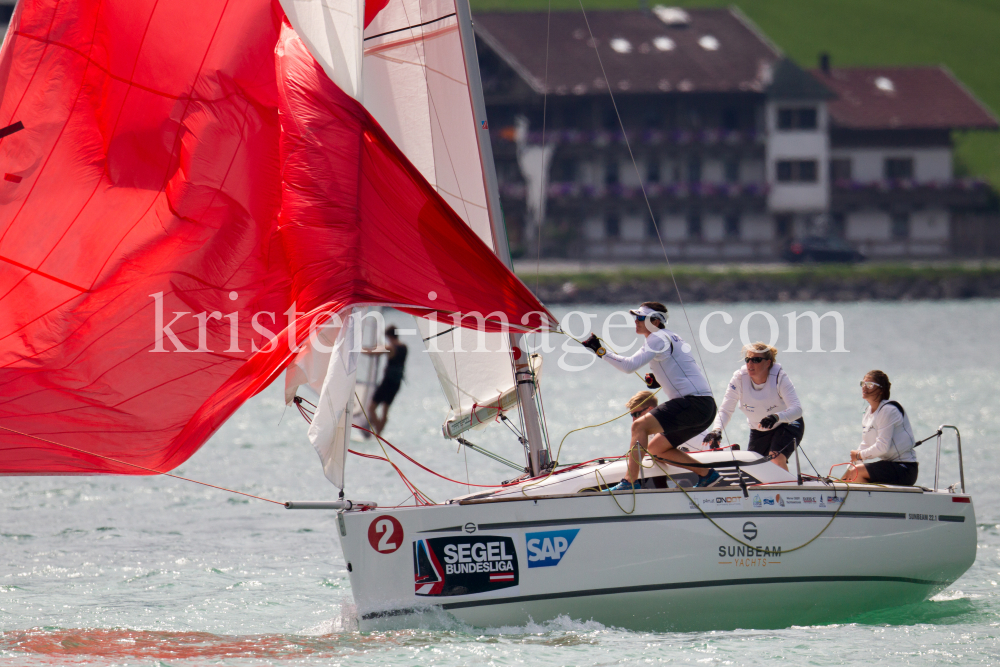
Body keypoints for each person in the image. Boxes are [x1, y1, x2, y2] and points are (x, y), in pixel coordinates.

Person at [582, 302, 720, 490]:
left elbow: (629, 366)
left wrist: (601, 351)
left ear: (655, 321)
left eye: (640, 318)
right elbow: (681, 370)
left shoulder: (657, 338)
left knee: (639, 425)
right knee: (656, 450)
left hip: (694, 404)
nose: (636, 321)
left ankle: (630, 482)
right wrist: (657, 380)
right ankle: (707, 474)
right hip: (704, 407)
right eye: (635, 318)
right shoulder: (670, 337)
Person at [703, 342, 804, 471]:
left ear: (768, 363)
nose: (750, 364)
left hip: (787, 424)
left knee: (776, 458)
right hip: (759, 429)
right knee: (754, 470)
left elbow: (797, 410)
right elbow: (726, 409)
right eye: (748, 359)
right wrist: (716, 430)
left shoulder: (780, 378)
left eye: (756, 360)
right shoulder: (739, 378)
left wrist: (776, 417)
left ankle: (788, 489)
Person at [843, 370, 918, 486]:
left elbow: (882, 447)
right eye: (863, 384)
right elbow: (865, 444)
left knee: (857, 472)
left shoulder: (888, 410)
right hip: (889, 465)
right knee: (852, 474)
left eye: (870, 385)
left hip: (905, 468)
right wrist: (847, 472)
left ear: (881, 390)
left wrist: (859, 455)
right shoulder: (868, 412)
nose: (864, 388)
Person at [366, 326, 408, 435]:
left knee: (371, 408)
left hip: (387, 382)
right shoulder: (404, 347)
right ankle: (378, 434)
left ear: (389, 336)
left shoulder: (391, 348)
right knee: (385, 410)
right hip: (397, 383)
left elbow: (373, 353)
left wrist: (357, 349)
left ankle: (377, 433)